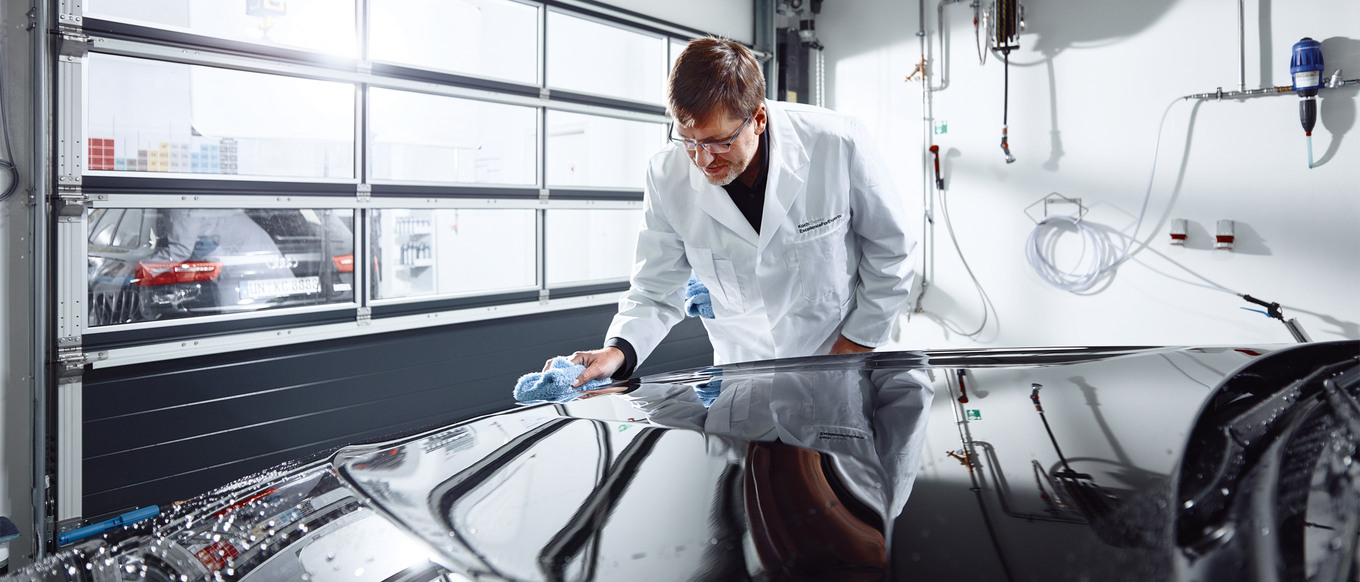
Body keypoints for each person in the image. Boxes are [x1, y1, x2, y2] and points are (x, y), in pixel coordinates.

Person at [549, 36, 916, 386]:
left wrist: (854, 347)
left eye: (717, 142)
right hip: (743, 375)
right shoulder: (666, 173)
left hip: (839, 361)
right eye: (687, 141)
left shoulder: (837, 142)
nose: (702, 159)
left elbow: (892, 252)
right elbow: (655, 288)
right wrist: (617, 350)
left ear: (758, 119)